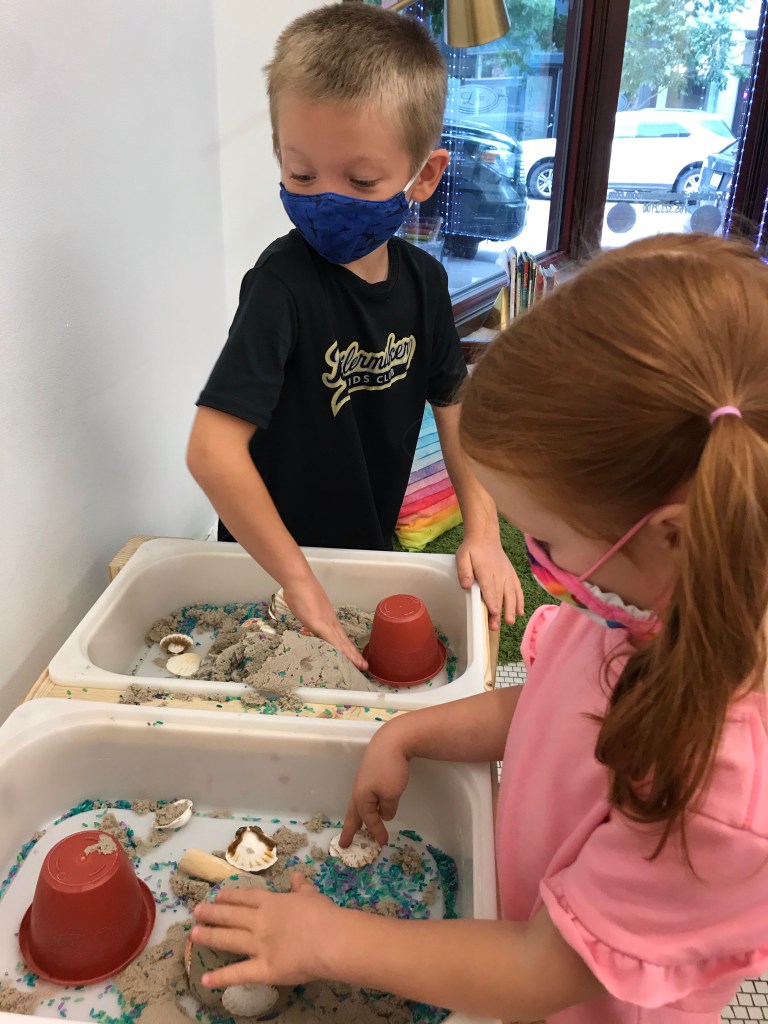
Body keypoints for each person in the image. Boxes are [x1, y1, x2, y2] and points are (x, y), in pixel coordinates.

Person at [191, 234, 768, 1023]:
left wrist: (324, 940)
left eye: (547, 540)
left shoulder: (721, 790)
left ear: (669, 535)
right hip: (515, 920)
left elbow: (540, 968)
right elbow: (553, 707)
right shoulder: (627, 608)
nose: (537, 559)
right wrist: (411, 732)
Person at [186, 3, 522, 669]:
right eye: (300, 174)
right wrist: (296, 579)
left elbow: (455, 406)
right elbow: (212, 451)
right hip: (269, 566)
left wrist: (484, 531)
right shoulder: (280, 287)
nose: (324, 198)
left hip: (367, 545)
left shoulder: (425, 282)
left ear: (423, 176)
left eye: (361, 180)